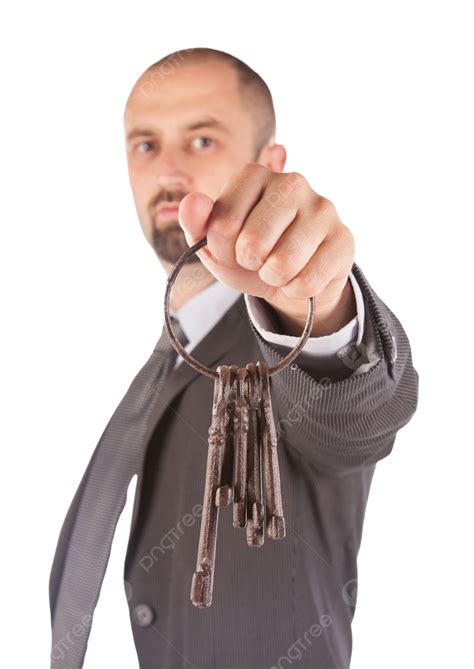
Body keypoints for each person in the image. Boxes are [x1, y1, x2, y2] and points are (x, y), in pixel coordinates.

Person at [49, 47, 419, 669]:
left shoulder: (285, 343)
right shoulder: (166, 359)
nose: (167, 169)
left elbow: (358, 412)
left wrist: (319, 302)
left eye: (200, 140)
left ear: (268, 165)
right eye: (145, 145)